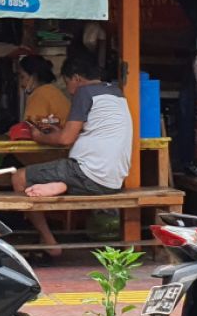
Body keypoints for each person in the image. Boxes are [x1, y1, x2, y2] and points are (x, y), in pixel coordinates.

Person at [10, 52, 133, 257]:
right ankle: (62, 186)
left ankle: (50, 242)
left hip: (86, 174)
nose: (68, 90)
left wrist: (38, 136)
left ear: (76, 78)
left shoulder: (84, 93)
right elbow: (82, 132)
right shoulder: (116, 92)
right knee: (59, 170)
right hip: (113, 180)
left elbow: (66, 140)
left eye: (67, 83)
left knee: (18, 178)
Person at [17, 55, 71, 128]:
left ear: (34, 77)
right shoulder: (52, 91)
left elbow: (31, 128)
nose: (21, 83)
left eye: (22, 77)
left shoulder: (39, 95)